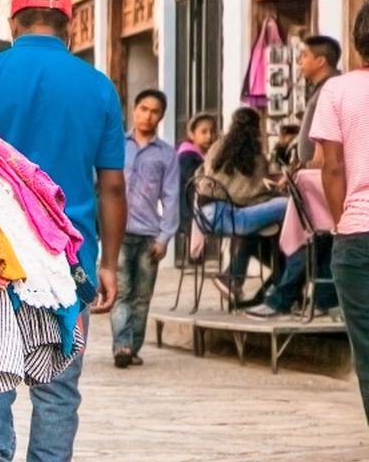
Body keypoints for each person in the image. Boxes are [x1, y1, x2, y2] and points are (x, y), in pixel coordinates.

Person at [0, 0, 126, 462]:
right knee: (57, 389)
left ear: (13, 24)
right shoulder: (98, 87)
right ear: (69, 27)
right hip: (69, 263)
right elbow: (111, 185)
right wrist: (110, 262)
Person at [248, 34, 342, 318]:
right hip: (313, 175)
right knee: (322, 239)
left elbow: (328, 139)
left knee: (309, 237)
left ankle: (282, 298)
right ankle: (325, 299)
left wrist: (313, 164)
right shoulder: (322, 88)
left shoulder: (332, 89)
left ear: (320, 60)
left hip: (322, 177)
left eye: (304, 57)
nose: (299, 62)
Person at [317, 2, 369, 422]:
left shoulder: (337, 90)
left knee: (367, 351)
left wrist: (342, 223)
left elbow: (331, 167)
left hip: (357, 236)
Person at [112, 89, 178, 367]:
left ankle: (133, 346)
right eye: (143, 109)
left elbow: (172, 197)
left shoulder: (167, 154)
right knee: (122, 292)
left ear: (161, 116)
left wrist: (164, 238)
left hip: (149, 234)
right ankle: (122, 347)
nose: (147, 116)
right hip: (117, 233)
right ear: (134, 110)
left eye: (154, 111)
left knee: (142, 296)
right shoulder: (116, 145)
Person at [195, 106, 289, 303]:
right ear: (257, 129)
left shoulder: (216, 147)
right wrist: (272, 191)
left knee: (253, 229)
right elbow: (248, 197)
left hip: (204, 214)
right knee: (285, 205)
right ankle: (281, 274)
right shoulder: (256, 157)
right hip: (228, 216)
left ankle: (235, 278)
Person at [176, 112, 218, 265]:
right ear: (191, 134)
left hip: (196, 205)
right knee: (193, 235)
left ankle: (195, 259)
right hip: (189, 205)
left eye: (212, 131)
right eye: (204, 131)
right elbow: (193, 179)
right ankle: (193, 259)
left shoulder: (203, 155)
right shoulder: (187, 155)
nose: (209, 136)